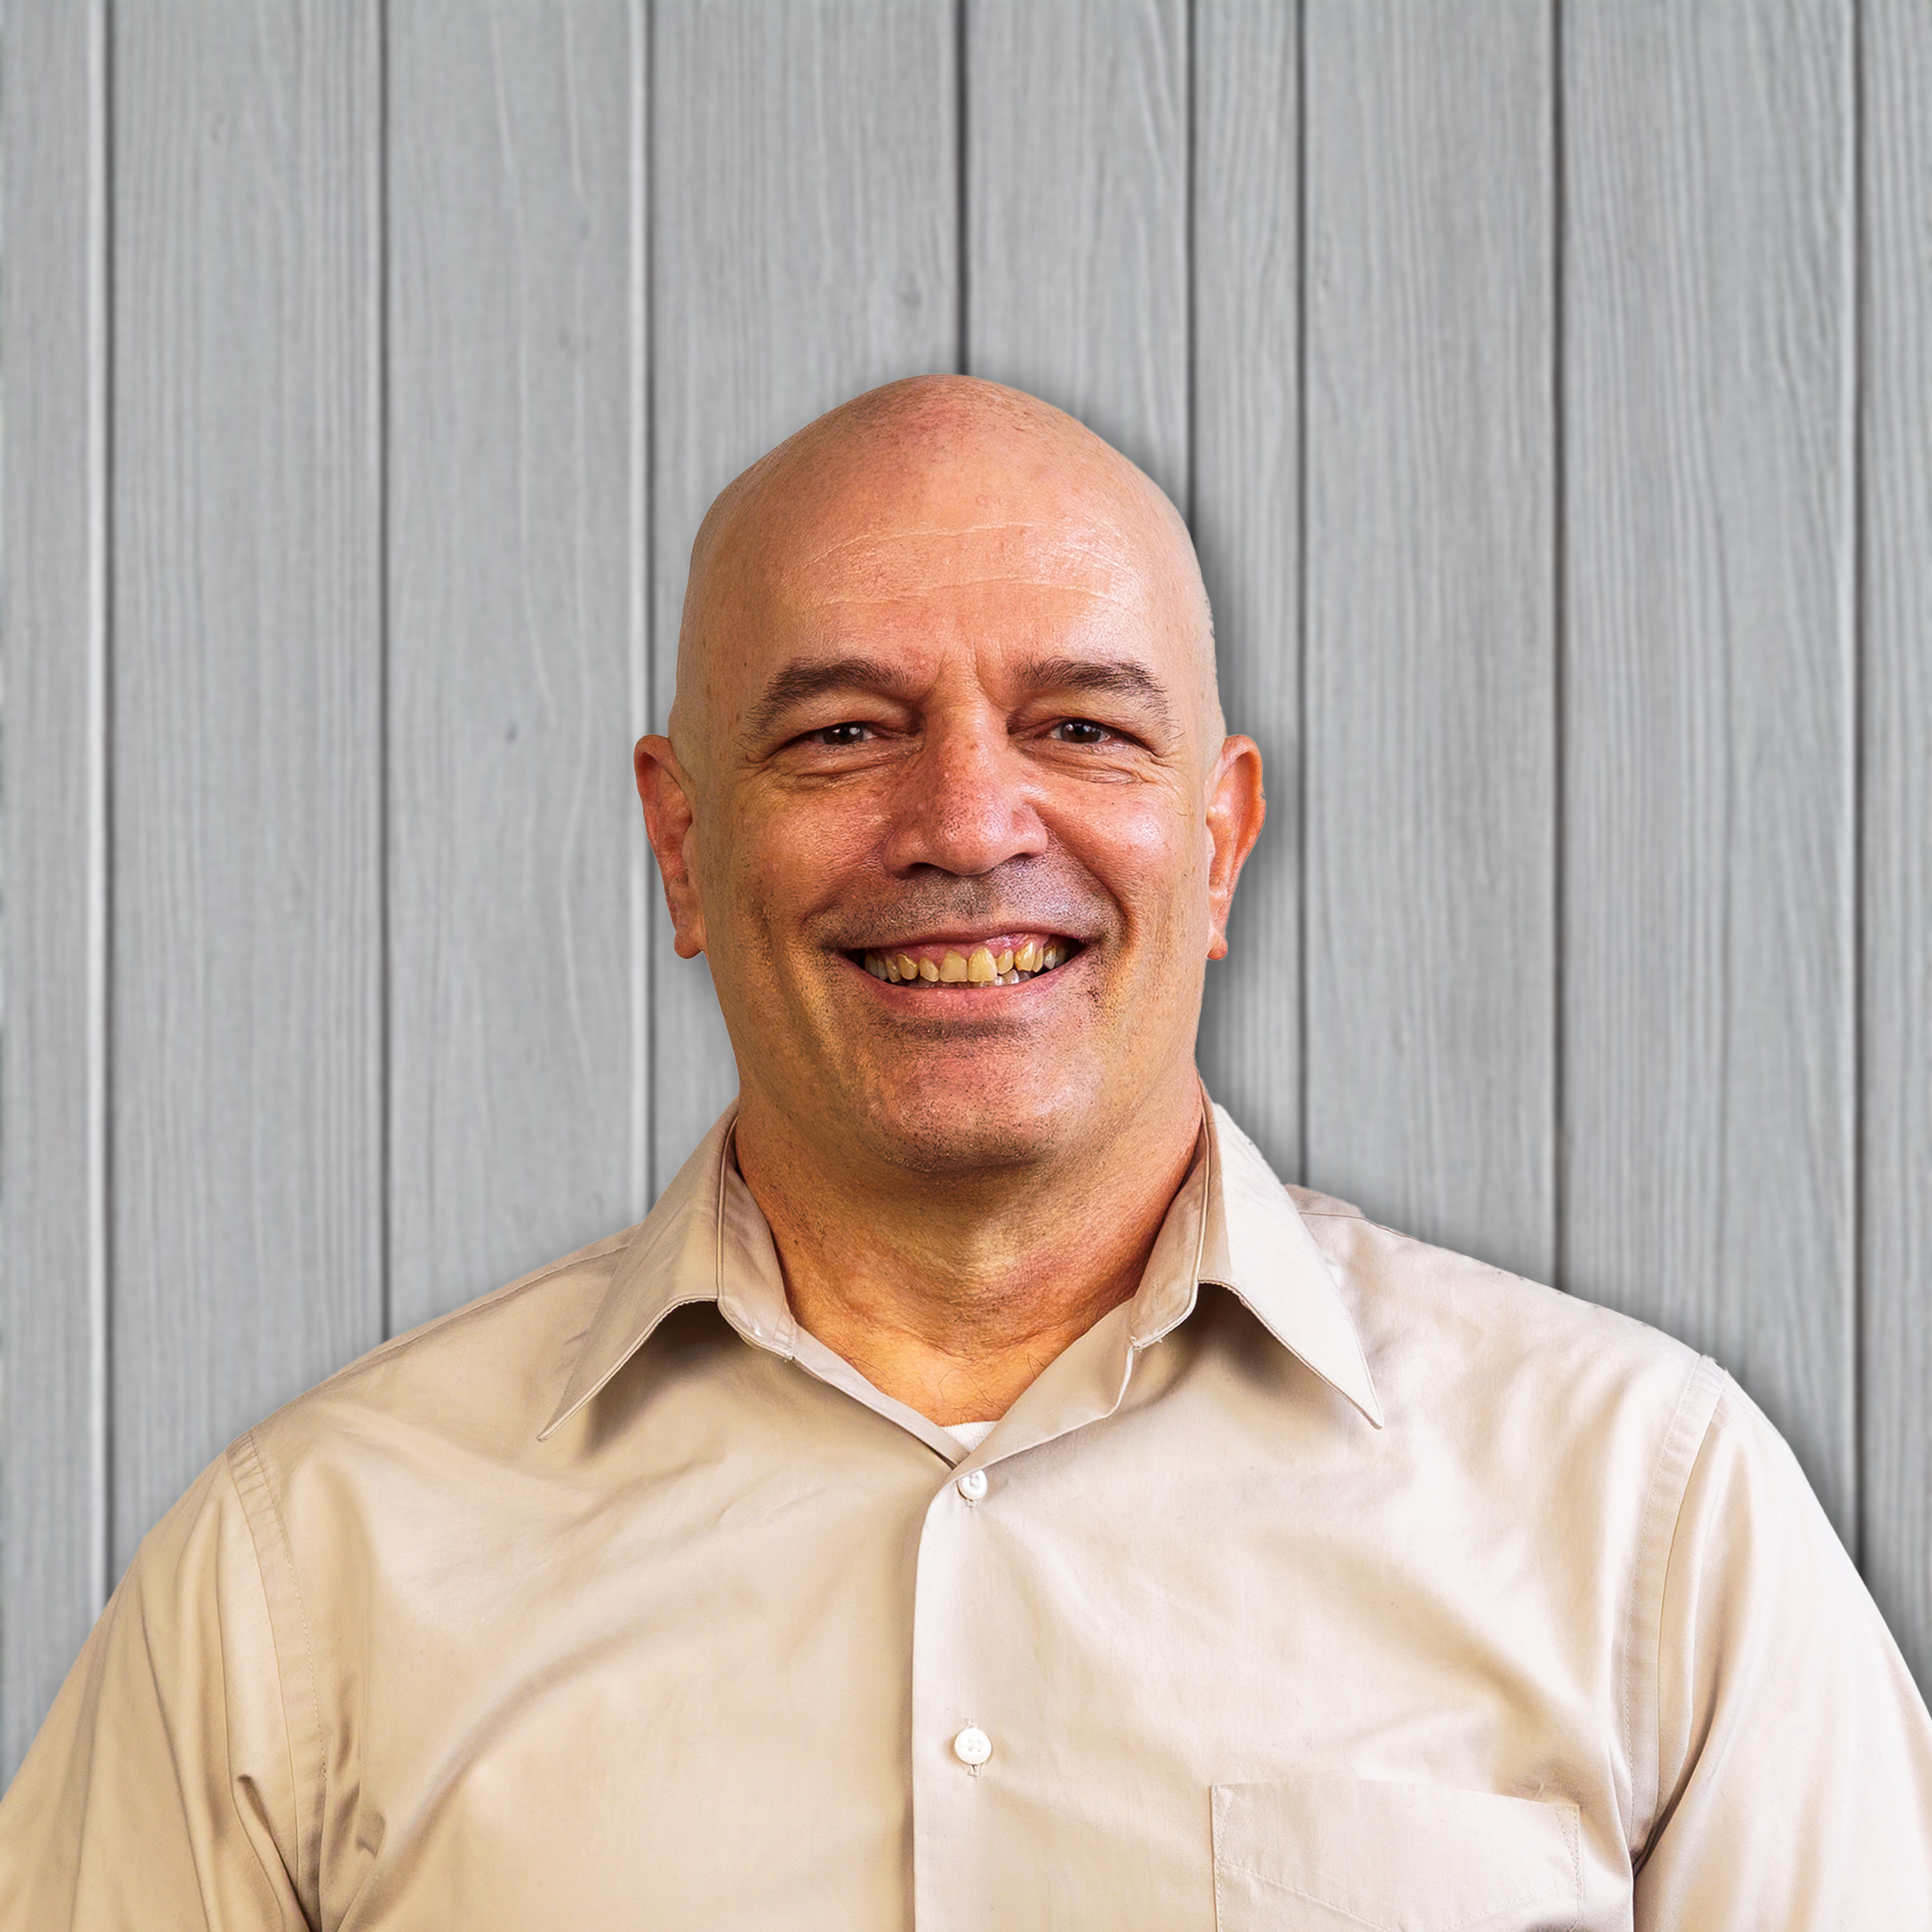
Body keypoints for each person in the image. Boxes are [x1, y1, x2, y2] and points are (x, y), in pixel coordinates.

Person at [2, 376, 1928, 1928]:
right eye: (842, 732)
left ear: (1218, 835)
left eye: (1079, 723)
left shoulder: (1649, 1518)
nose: (964, 819)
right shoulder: (302, 1578)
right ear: (681, 844)